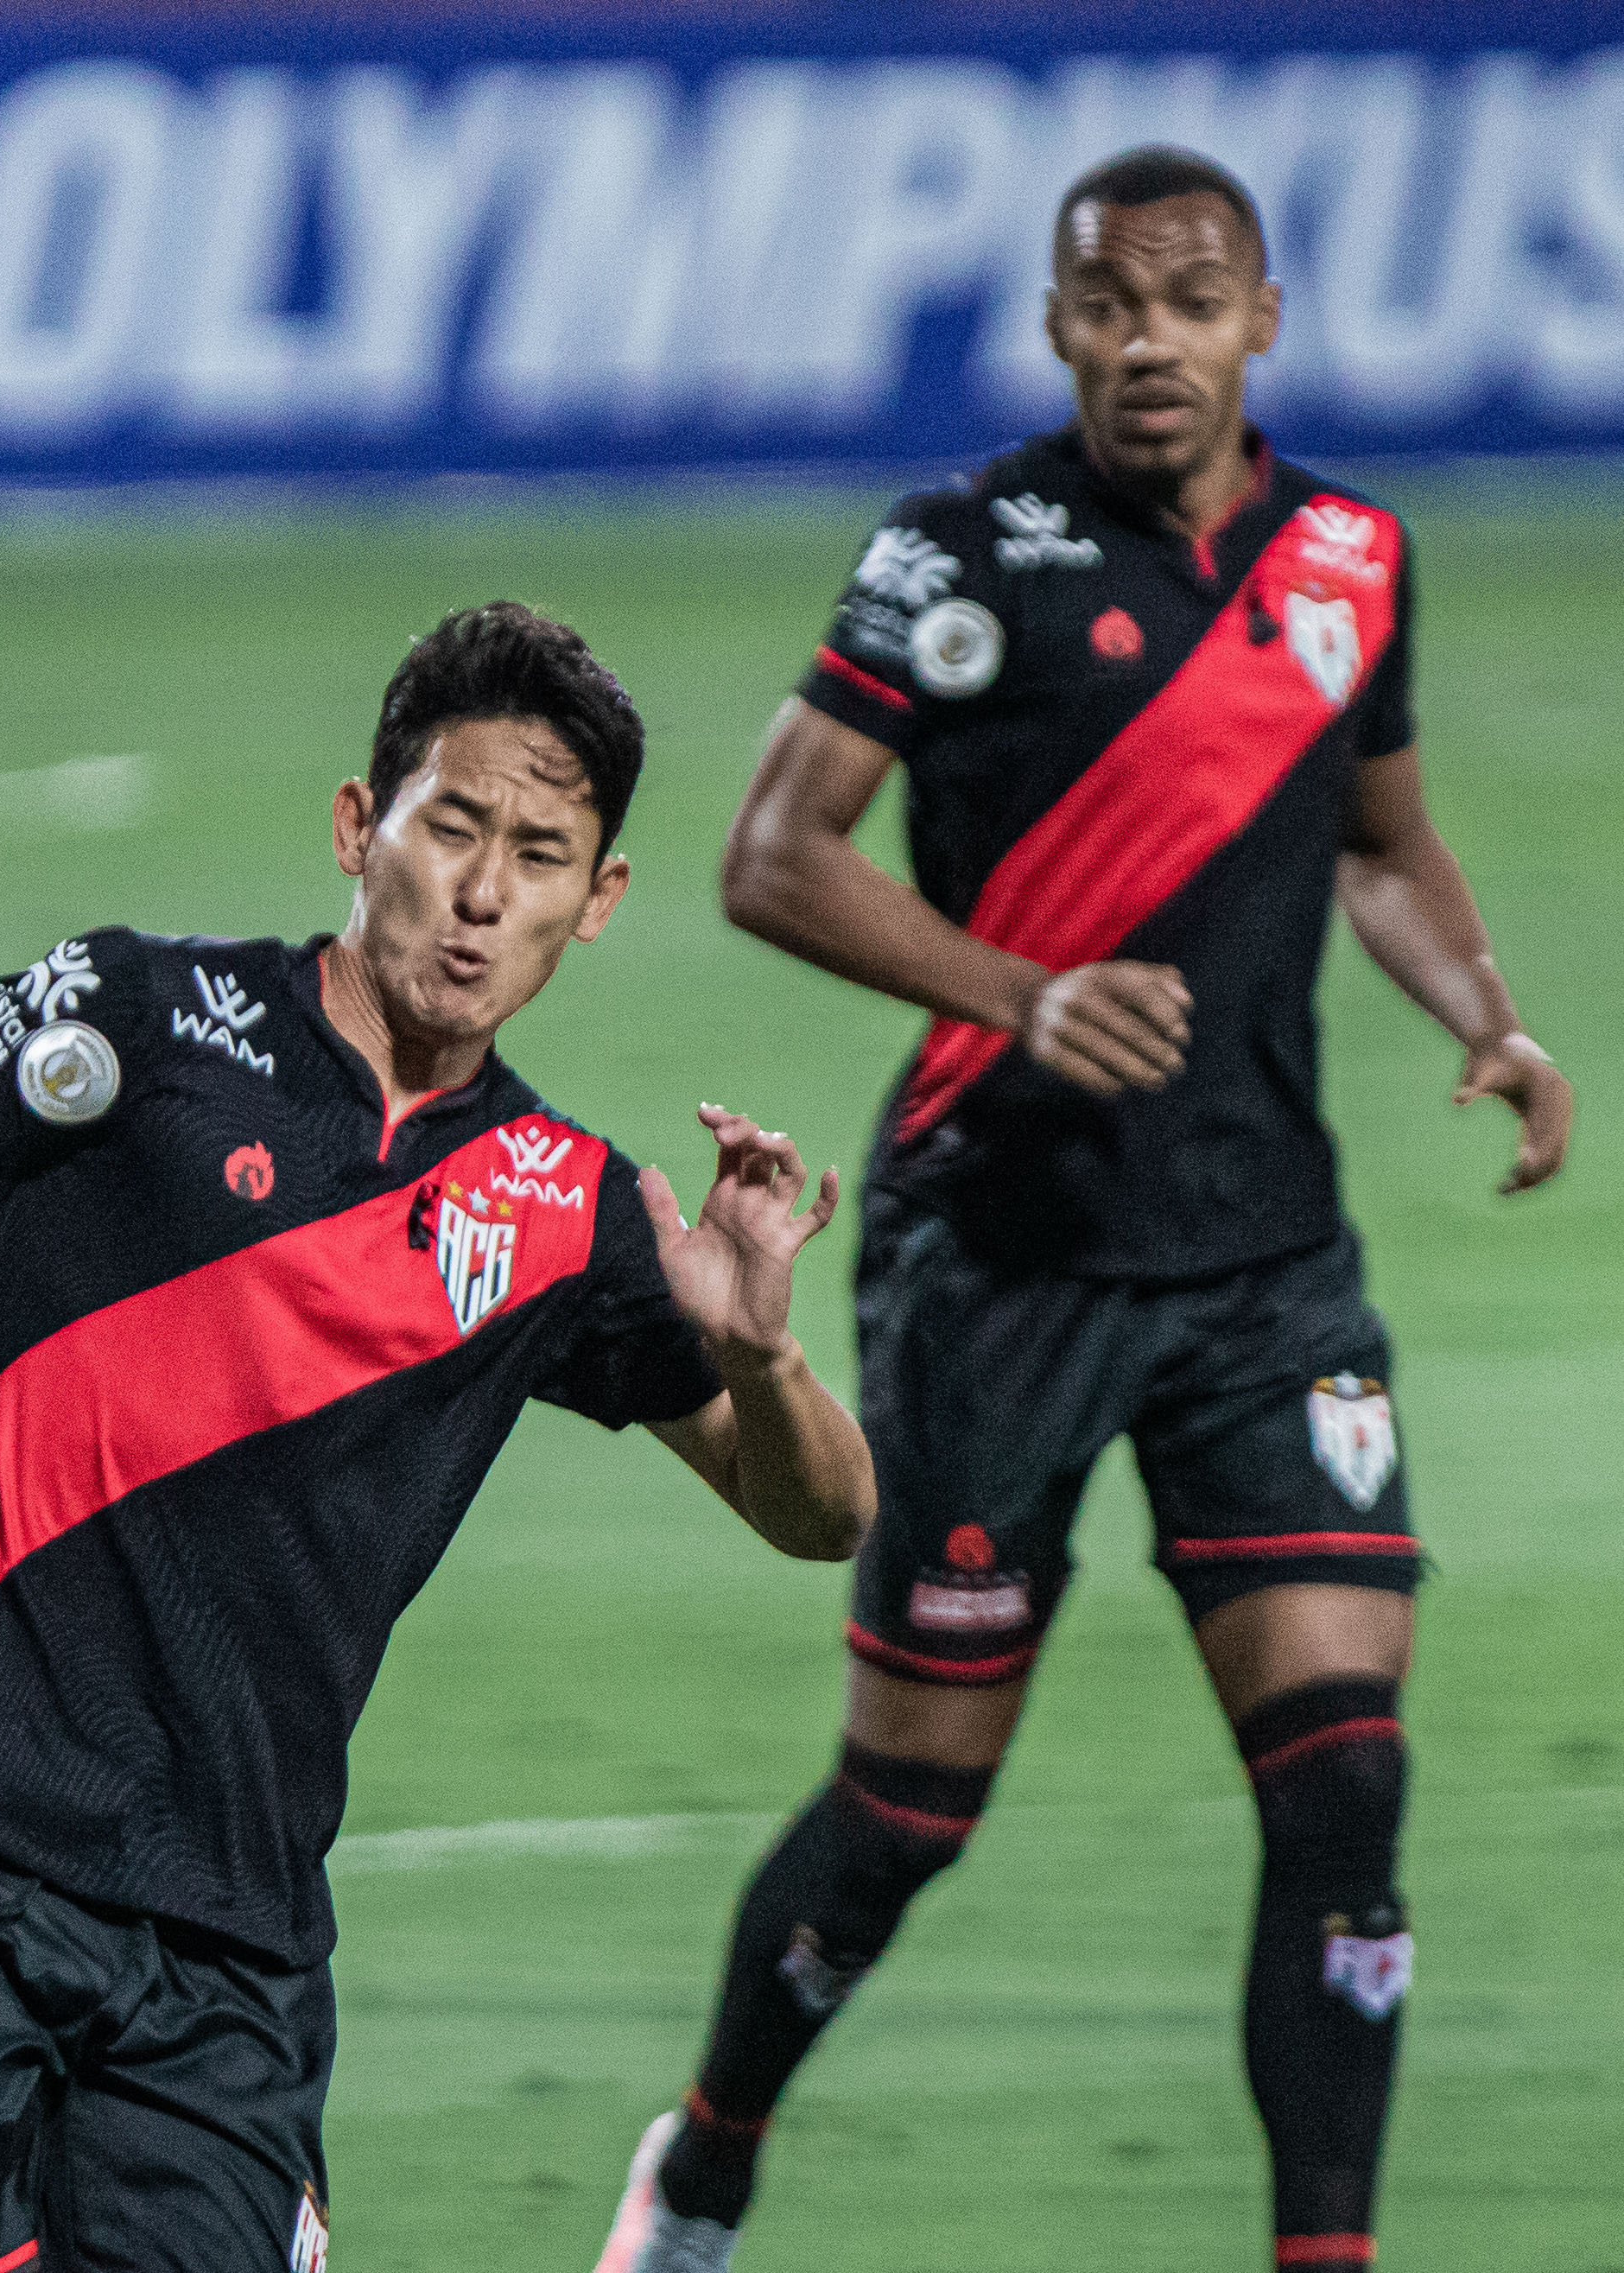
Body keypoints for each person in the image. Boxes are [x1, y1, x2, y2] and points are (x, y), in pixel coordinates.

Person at [593, 147, 1577, 2273]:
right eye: (1110, 304)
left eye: (1193, 300)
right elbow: (774, 853)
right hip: (1004, 1256)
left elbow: (1384, 843)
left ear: (1265, 321)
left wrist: (1488, 1016)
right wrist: (1017, 992)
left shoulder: (1351, 557)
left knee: (1343, 1792)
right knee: (904, 1818)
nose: (1153, 340)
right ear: (1057, 329)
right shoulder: (963, 550)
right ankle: (710, 2161)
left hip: (1266, 1270)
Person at [0, 602, 879, 2273]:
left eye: (543, 857)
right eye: (455, 828)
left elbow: (827, 1514)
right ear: (365, 828)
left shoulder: (563, 1209)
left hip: (230, 1943)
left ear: (599, 901)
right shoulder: (137, 1018)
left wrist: (761, 1352)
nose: (486, 894)